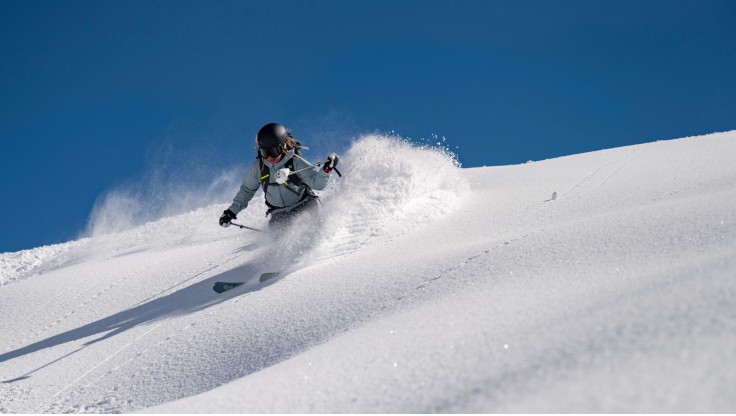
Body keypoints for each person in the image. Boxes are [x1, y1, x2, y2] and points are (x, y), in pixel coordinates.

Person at [219, 123, 339, 231]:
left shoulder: (295, 162)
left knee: (312, 231)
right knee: (281, 244)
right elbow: (246, 192)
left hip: (304, 204)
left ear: (283, 147)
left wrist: (326, 169)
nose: (270, 157)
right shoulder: (258, 168)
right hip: (279, 214)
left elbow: (317, 183)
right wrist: (230, 212)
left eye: (274, 151)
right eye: (265, 153)